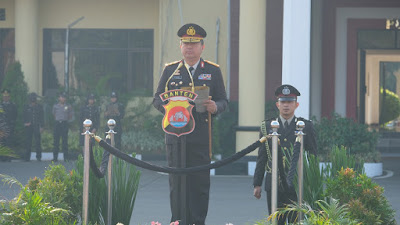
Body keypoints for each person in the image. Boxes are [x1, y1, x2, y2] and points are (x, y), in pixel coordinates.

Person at [153, 23, 228, 225]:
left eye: (194, 44)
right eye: (185, 43)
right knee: (177, 184)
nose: (189, 47)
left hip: (201, 138)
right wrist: (170, 108)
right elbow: (157, 99)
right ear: (180, 46)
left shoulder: (212, 70)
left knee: (199, 184)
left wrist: (216, 107)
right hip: (176, 137)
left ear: (202, 47)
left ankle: (197, 221)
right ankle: (177, 221)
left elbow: (224, 100)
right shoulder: (170, 71)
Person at [253, 84, 317, 225]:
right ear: (277, 104)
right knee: (276, 221)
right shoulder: (268, 126)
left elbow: (313, 156)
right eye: (283, 102)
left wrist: (312, 183)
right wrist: (257, 183)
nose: (286, 105)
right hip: (274, 182)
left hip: (297, 182)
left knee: (296, 220)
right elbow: (262, 156)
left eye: (290, 102)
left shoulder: (305, 126)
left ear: (296, 104)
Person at [52, 92, 73, 161]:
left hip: (64, 123)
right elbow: (54, 115)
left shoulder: (68, 106)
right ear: (59, 98)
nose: (63, 99)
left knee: (64, 141)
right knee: (56, 141)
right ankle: (55, 157)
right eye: (61, 97)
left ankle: (66, 157)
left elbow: (70, 115)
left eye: (64, 97)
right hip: (57, 123)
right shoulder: (55, 106)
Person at [23, 93, 44, 161]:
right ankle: (27, 157)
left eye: (34, 100)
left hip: (37, 126)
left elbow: (42, 117)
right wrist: (25, 123)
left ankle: (38, 157)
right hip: (29, 126)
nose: (33, 102)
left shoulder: (39, 107)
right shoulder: (26, 107)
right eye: (32, 100)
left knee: (37, 142)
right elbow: (23, 116)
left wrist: (42, 126)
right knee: (28, 142)